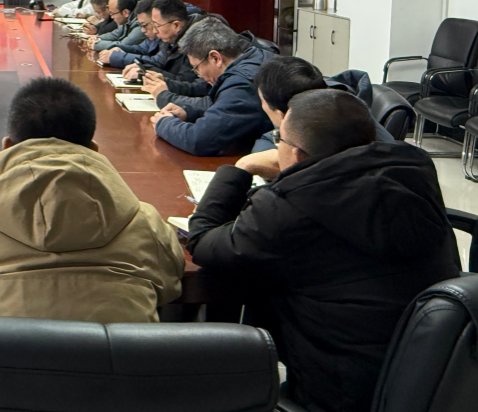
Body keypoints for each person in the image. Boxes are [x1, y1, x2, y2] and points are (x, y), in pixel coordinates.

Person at [187, 90, 459, 412]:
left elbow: (203, 241)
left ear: (297, 153)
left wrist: (242, 168)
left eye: (278, 139)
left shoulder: (287, 210)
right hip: (432, 377)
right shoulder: (413, 170)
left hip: (338, 390)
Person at [0, 77, 185, 322]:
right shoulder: (144, 221)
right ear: (93, 149)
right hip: (122, 362)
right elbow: (171, 286)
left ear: (7, 147)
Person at [150, 18, 272, 156]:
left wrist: (164, 124)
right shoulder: (256, 57)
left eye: (196, 68)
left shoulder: (242, 83)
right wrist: (188, 112)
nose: (200, 75)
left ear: (215, 58)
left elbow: (200, 141)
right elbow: (223, 103)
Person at [245, 56, 394, 158]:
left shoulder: (333, 146)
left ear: (283, 116)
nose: (262, 107)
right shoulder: (337, 107)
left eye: (262, 101)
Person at [100, 0, 160, 68]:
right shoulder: (153, 38)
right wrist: (119, 49)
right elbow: (141, 49)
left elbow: (155, 62)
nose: (142, 30)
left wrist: (116, 57)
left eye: (144, 25)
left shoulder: (166, 39)